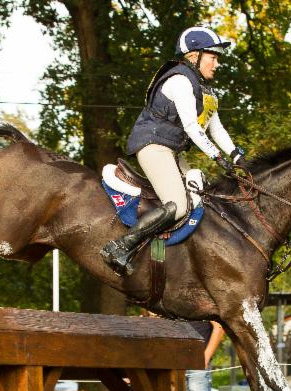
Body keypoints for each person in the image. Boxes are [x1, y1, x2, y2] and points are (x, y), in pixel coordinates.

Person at [101, 26, 249, 276]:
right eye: (212, 57)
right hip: (153, 146)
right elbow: (192, 127)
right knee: (178, 206)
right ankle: (121, 246)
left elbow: (217, 128)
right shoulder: (180, 81)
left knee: (202, 196)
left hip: (171, 151)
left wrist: (237, 156)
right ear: (194, 56)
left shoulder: (207, 91)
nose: (216, 64)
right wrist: (218, 157)